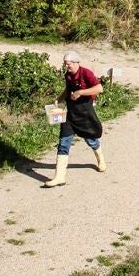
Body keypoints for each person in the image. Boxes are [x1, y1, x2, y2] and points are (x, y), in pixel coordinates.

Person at [45, 50, 104, 187]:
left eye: (68, 64)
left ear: (76, 62)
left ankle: (100, 158)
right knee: (63, 143)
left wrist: (81, 92)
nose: (66, 66)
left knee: (90, 140)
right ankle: (59, 177)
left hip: (84, 113)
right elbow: (68, 89)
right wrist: (59, 98)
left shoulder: (86, 73)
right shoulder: (68, 75)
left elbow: (99, 88)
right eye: (65, 64)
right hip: (70, 113)